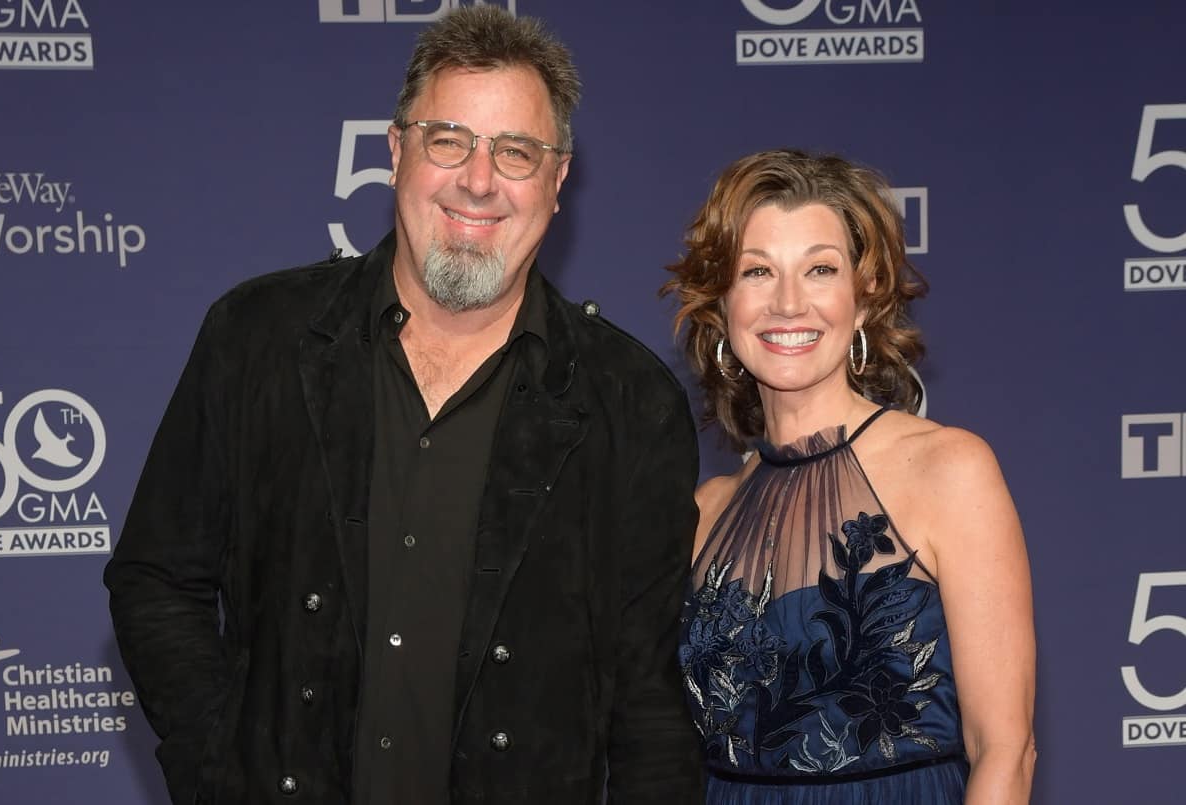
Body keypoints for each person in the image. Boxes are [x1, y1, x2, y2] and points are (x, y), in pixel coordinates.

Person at [104, 7, 703, 805]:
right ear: (395, 152)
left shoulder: (629, 402)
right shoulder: (259, 338)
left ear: (557, 183)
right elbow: (156, 578)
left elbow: (649, 700)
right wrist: (219, 768)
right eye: (447, 139)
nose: (479, 180)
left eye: (516, 152)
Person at [663, 149, 1036, 803]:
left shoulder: (949, 470)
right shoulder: (708, 512)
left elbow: (1004, 750)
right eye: (757, 271)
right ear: (721, 306)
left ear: (863, 300)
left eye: (819, 269)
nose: (787, 302)